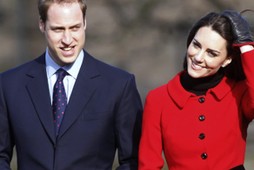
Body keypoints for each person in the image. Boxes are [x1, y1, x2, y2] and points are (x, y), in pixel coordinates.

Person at [0, 0, 143, 169]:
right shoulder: (9, 85)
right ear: (42, 25)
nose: (67, 40)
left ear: (85, 23)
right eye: (58, 29)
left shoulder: (119, 85)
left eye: (74, 28)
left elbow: (132, 161)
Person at [138, 10, 254, 170]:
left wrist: (247, 47)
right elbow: (148, 165)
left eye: (211, 53)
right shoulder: (158, 99)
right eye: (196, 45)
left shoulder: (238, 92)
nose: (198, 57)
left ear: (227, 60)